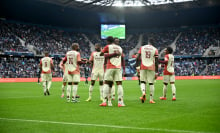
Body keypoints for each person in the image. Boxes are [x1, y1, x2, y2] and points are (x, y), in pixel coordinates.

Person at [99, 36, 126, 107]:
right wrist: (124, 69)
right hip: (118, 67)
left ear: (108, 41)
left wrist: (111, 54)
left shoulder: (108, 46)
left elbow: (101, 54)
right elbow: (122, 58)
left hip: (110, 67)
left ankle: (104, 102)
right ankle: (120, 102)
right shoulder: (120, 48)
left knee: (107, 84)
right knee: (119, 84)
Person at [136, 37, 158, 104]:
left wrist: (137, 67)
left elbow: (137, 58)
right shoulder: (155, 49)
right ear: (153, 43)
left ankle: (143, 93)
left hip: (143, 66)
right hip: (151, 67)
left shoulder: (142, 48)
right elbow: (156, 61)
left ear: (148, 42)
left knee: (142, 82)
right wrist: (156, 71)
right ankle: (151, 99)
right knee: (151, 83)